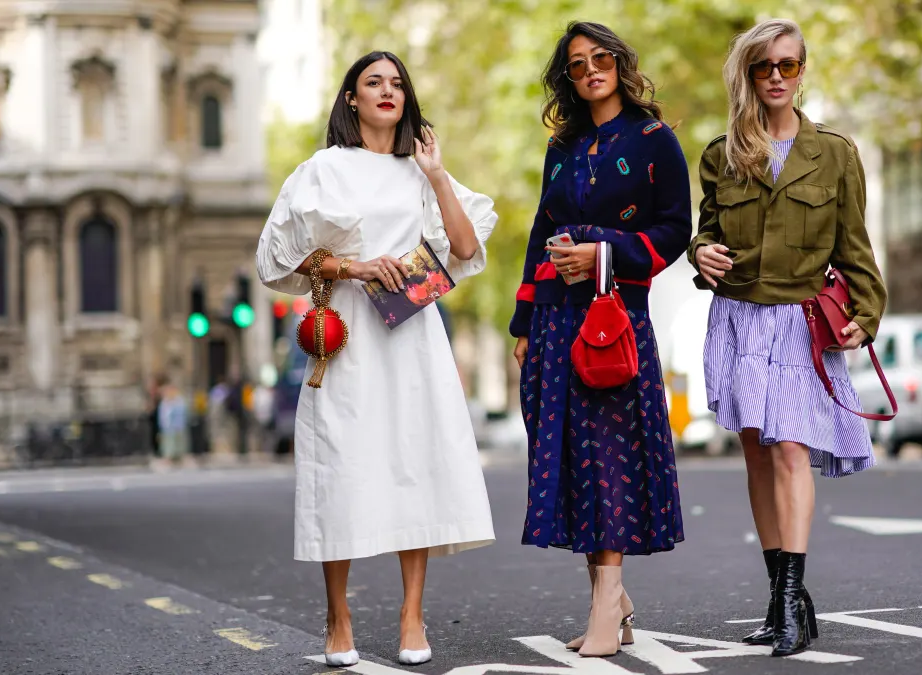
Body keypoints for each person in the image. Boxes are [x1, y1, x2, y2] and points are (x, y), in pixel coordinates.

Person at [254, 50, 498, 668]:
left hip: (413, 336)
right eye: (373, 82)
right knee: (342, 468)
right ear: (352, 99)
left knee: (412, 462)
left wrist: (438, 175)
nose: (387, 91)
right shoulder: (320, 171)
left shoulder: (419, 171)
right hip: (345, 336)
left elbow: (466, 250)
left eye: (397, 83)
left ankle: (412, 613)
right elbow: (275, 262)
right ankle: (338, 615)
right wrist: (353, 265)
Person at [690, 19, 887, 658]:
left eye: (788, 66)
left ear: (802, 71)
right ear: (746, 75)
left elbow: (855, 247)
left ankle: (790, 603)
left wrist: (869, 310)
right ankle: (783, 598)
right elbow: (706, 231)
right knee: (755, 452)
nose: (776, 77)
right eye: (763, 67)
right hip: (741, 317)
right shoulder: (722, 154)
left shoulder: (835, 154)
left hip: (800, 322)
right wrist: (702, 255)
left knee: (790, 451)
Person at [510, 21, 691, 659]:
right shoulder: (562, 147)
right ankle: (612, 599)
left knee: (610, 457)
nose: (591, 69)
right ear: (569, 76)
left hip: (612, 321)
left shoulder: (653, 139)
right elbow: (541, 230)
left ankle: (604, 606)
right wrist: (524, 323)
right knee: (576, 460)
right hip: (556, 321)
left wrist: (603, 251)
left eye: (601, 58)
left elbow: (675, 231)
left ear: (619, 63)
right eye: (579, 63)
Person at [156, 377, 189, 465]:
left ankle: (180, 456)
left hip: (177, 426)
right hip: (168, 427)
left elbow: (181, 414)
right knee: (168, 442)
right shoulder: (165, 402)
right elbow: (163, 415)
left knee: (179, 442)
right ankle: (168, 457)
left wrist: (179, 424)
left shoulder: (178, 401)